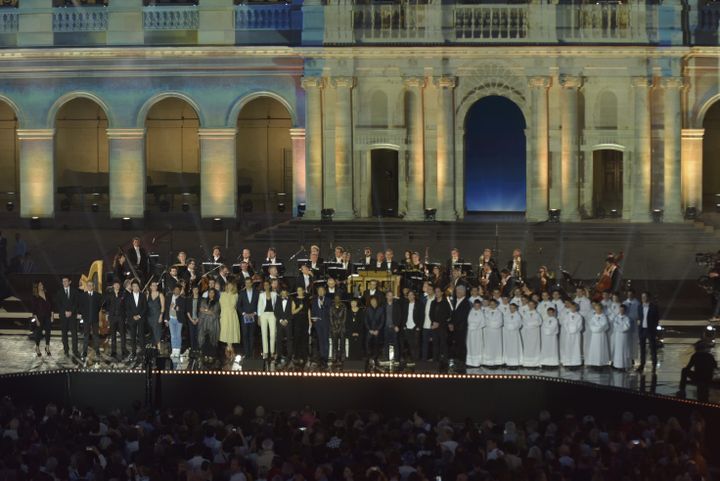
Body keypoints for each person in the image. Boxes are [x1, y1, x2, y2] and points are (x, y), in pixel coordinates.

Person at [54, 275, 79, 358]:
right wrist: (64, 312)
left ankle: (75, 350)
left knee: (74, 334)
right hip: (63, 316)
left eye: (66, 281)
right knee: (64, 334)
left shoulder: (75, 291)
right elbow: (58, 304)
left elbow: (76, 303)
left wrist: (71, 311)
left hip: (72, 316)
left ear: (69, 282)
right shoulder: (59, 292)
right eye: (63, 281)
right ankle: (66, 350)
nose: (64, 282)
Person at [103, 279, 127, 359]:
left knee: (123, 335)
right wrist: (107, 314)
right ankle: (113, 351)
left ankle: (124, 350)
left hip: (121, 317)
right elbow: (106, 305)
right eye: (115, 285)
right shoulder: (109, 294)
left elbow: (125, 306)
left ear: (120, 286)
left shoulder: (123, 294)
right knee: (113, 335)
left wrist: (125, 316)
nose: (117, 286)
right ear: (113, 286)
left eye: (118, 285)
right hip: (112, 317)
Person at [637, 291, 660, 373]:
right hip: (642, 329)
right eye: (642, 297)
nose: (643, 298)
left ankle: (654, 365)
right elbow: (639, 317)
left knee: (652, 348)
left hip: (650, 330)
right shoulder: (640, 306)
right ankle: (642, 364)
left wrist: (654, 329)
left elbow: (656, 319)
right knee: (642, 348)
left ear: (648, 298)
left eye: (644, 297)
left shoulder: (654, 307)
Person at [79, 280, 102, 363]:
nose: (90, 286)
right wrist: (84, 315)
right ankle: (84, 352)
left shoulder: (98, 296)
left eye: (91, 285)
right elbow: (80, 307)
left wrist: (95, 313)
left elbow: (99, 306)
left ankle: (97, 351)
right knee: (86, 336)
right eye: (88, 285)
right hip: (86, 319)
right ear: (87, 286)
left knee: (96, 336)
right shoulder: (82, 296)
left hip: (95, 319)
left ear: (93, 286)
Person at [219, 282, 241, 364]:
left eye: (232, 285)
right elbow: (220, 305)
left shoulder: (236, 295)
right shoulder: (222, 294)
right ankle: (228, 350)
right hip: (224, 314)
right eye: (228, 285)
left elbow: (235, 305)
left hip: (232, 315)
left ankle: (230, 349)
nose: (230, 286)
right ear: (226, 286)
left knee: (232, 330)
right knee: (225, 331)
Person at [125, 279, 147, 362]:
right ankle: (133, 353)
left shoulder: (143, 295)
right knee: (133, 337)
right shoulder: (128, 296)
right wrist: (133, 316)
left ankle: (143, 353)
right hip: (132, 319)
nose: (135, 288)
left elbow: (145, 307)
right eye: (133, 286)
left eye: (136, 286)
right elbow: (127, 309)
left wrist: (139, 315)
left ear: (139, 287)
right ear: (132, 287)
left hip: (141, 319)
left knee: (141, 336)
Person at [398, 290, 422, 364]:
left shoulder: (419, 304)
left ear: (414, 296)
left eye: (412, 295)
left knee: (416, 344)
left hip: (415, 327)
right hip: (407, 327)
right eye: (409, 295)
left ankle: (416, 360)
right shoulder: (405, 304)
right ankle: (412, 359)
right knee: (409, 344)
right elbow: (403, 316)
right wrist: (404, 325)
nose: (410, 296)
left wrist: (419, 326)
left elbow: (421, 316)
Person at [449, 285, 471, 367]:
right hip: (454, 327)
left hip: (462, 328)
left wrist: (455, 325)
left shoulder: (466, 303)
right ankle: (456, 360)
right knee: (455, 344)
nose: (457, 293)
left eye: (459, 291)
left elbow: (464, 316)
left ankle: (462, 361)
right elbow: (453, 314)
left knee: (461, 345)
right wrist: (451, 323)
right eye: (457, 291)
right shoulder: (454, 301)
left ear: (464, 292)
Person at [238, 278, 259, 359]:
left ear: (251, 283)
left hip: (253, 316)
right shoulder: (242, 293)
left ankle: (251, 353)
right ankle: (247, 353)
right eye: (246, 283)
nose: (248, 284)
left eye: (249, 283)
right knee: (245, 335)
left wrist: (254, 313)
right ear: (245, 284)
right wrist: (244, 314)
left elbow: (259, 304)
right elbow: (239, 306)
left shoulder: (256, 293)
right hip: (245, 317)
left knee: (252, 335)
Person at [429, 287, 452, 364]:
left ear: (441, 293)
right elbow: (430, 314)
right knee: (435, 343)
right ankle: (435, 360)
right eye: (435, 292)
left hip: (442, 327)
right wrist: (433, 322)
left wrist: (438, 323)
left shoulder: (445, 303)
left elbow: (447, 315)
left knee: (443, 343)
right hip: (434, 326)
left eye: (438, 291)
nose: (436, 293)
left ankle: (445, 360)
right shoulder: (433, 302)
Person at [30, 281, 52, 357]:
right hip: (39, 317)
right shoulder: (35, 296)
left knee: (48, 332)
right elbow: (34, 309)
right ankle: (37, 347)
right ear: (37, 287)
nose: (42, 285)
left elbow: (51, 305)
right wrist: (36, 320)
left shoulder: (47, 294)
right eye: (40, 285)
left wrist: (52, 315)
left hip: (48, 316)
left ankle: (47, 347)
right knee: (38, 333)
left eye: (42, 284)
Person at [311, 285, 332, 367]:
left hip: (326, 323)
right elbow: (313, 311)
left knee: (325, 341)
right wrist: (313, 318)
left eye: (322, 290)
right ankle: (322, 357)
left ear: (324, 292)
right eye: (319, 290)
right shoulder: (314, 300)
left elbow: (329, 312)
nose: (320, 292)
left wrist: (323, 305)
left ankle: (325, 358)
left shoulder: (328, 300)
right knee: (320, 341)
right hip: (318, 324)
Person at [257, 281, 278, 361]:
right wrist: (259, 317)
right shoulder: (261, 295)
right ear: (263, 286)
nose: (266, 286)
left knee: (272, 334)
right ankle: (265, 352)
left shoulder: (274, 294)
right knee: (264, 334)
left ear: (269, 286)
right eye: (264, 285)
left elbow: (276, 305)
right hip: (263, 315)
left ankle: (272, 352)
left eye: (267, 285)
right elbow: (259, 306)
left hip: (272, 315)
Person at [586, 302, 610, 367]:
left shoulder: (604, 317)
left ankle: (602, 363)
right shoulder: (593, 317)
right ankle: (594, 363)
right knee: (594, 348)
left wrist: (597, 327)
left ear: (601, 309)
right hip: (594, 336)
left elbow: (604, 325)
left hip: (601, 335)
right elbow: (591, 325)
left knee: (601, 348)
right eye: (596, 309)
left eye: (598, 309)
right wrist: (597, 328)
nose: (597, 311)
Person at [198, 288, 220, 357]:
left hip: (212, 324)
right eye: (210, 292)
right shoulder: (203, 300)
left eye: (212, 293)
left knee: (212, 340)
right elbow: (201, 310)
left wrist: (205, 311)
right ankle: (205, 355)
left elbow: (215, 313)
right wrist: (208, 311)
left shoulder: (217, 302)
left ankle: (211, 355)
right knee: (204, 340)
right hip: (204, 323)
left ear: (214, 294)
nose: (211, 294)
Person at [364, 296, 385, 368]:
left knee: (376, 345)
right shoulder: (368, 309)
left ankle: (375, 359)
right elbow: (365, 320)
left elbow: (382, 321)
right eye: (372, 301)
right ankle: (368, 358)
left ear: (377, 301)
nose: (373, 302)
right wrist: (369, 329)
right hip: (369, 330)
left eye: (374, 301)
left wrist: (377, 330)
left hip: (377, 331)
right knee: (367, 344)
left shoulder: (381, 309)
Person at [560, 302, 583, 367]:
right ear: (570, 308)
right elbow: (565, 324)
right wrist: (569, 330)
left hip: (576, 334)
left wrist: (574, 330)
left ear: (576, 308)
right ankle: (568, 362)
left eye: (574, 307)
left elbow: (579, 325)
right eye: (571, 307)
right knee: (568, 347)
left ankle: (576, 362)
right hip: (568, 334)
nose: (573, 308)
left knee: (576, 347)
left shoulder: (579, 316)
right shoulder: (567, 315)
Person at [274, 288, 294, 363]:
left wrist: (286, 320)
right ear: (281, 293)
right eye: (283, 292)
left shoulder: (291, 300)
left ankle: (289, 356)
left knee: (289, 340)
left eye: (285, 292)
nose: (284, 294)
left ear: (287, 293)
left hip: (288, 323)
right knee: (279, 339)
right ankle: (279, 355)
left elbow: (292, 311)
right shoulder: (278, 300)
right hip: (280, 323)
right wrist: (280, 320)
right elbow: (276, 311)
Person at [611, 304, 633, 370]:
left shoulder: (627, 318)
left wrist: (621, 328)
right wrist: (621, 327)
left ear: (625, 310)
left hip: (625, 336)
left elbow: (627, 327)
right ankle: (618, 365)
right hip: (618, 336)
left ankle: (625, 365)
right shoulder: (616, 318)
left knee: (625, 350)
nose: (621, 311)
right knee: (618, 350)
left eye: (623, 310)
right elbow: (615, 326)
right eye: (620, 309)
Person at [291, 286, 310, 363]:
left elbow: (308, 310)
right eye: (298, 290)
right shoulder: (294, 300)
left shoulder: (306, 299)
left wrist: (310, 321)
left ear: (303, 291)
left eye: (300, 290)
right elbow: (292, 312)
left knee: (305, 338)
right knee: (297, 337)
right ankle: (296, 355)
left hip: (305, 320)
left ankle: (304, 355)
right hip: (297, 320)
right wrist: (299, 308)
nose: (299, 291)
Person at [521, 300, 542, 368]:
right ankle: (527, 362)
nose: (530, 306)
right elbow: (524, 322)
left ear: (535, 305)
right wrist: (530, 324)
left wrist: (530, 324)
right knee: (527, 346)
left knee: (535, 346)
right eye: (529, 304)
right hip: (527, 332)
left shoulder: (537, 314)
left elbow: (539, 322)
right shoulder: (526, 314)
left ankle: (535, 363)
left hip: (535, 333)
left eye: (532, 304)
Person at [483, 299, 503, 366]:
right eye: (491, 304)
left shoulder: (499, 312)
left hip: (496, 332)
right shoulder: (486, 312)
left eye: (493, 304)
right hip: (488, 332)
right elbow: (485, 320)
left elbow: (500, 322)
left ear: (496, 304)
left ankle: (497, 362)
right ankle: (488, 362)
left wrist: (492, 324)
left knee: (496, 346)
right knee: (488, 346)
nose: (492, 305)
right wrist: (491, 323)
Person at [465, 299, 485, 367]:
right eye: (475, 305)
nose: (476, 307)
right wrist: (471, 325)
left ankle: (477, 362)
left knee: (477, 346)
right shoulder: (471, 311)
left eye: (478, 306)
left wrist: (476, 326)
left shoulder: (481, 312)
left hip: (477, 332)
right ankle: (470, 362)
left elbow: (483, 322)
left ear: (480, 306)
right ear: (473, 305)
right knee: (470, 346)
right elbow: (469, 320)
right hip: (471, 332)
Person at [503, 303, 523, 367]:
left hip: (515, 333)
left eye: (513, 308)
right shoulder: (507, 315)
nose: (511, 309)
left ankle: (515, 363)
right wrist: (508, 327)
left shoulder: (518, 315)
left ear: (516, 308)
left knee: (515, 347)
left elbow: (519, 323)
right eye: (510, 308)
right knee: (509, 347)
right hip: (508, 333)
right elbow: (505, 322)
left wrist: (512, 327)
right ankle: (508, 362)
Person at [146, 281, 165, 349]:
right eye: (153, 285)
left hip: (157, 316)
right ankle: (154, 348)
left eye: (155, 285)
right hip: (149, 316)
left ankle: (159, 348)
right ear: (150, 287)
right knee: (152, 332)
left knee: (157, 332)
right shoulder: (147, 295)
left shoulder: (160, 294)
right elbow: (145, 306)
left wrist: (161, 316)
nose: (154, 287)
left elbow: (163, 307)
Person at [384, 291, 401, 361]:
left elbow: (399, 316)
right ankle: (387, 358)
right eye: (389, 295)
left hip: (394, 327)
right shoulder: (383, 305)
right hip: (385, 327)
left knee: (396, 343)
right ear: (386, 296)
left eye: (391, 296)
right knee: (386, 343)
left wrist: (397, 325)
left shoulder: (396, 305)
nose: (390, 297)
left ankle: (396, 358)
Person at [329, 294, 347, 364]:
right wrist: (334, 325)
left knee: (342, 344)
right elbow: (330, 317)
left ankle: (342, 357)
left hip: (342, 328)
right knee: (334, 344)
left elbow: (344, 317)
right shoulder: (331, 307)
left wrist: (340, 326)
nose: (337, 299)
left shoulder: (344, 306)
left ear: (340, 299)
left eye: (338, 298)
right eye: (335, 298)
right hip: (334, 328)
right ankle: (334, 357)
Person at [421, 283, 435, 361]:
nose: (428, 290)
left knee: (433, 343)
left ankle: (433, 359)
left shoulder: (435, 299)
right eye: (428, 289)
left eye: (430, 289)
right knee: (424, 343)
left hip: (432, 325)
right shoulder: (425, 299)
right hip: (425, 325)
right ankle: (424, 359)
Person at [186, 285, 202, 353]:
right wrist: (191, 320)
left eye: (196, 289)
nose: (195, 291)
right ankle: (193, 349)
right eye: (194, 289)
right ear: (192, 290)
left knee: (198, 335)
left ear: (198, 290)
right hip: (191, 320)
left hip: (199, 319)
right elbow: (187, 311)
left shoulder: (201, 299)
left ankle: (198, 348)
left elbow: (202, 311)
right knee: (192, 335)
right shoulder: (189, 299)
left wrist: (198, 319)